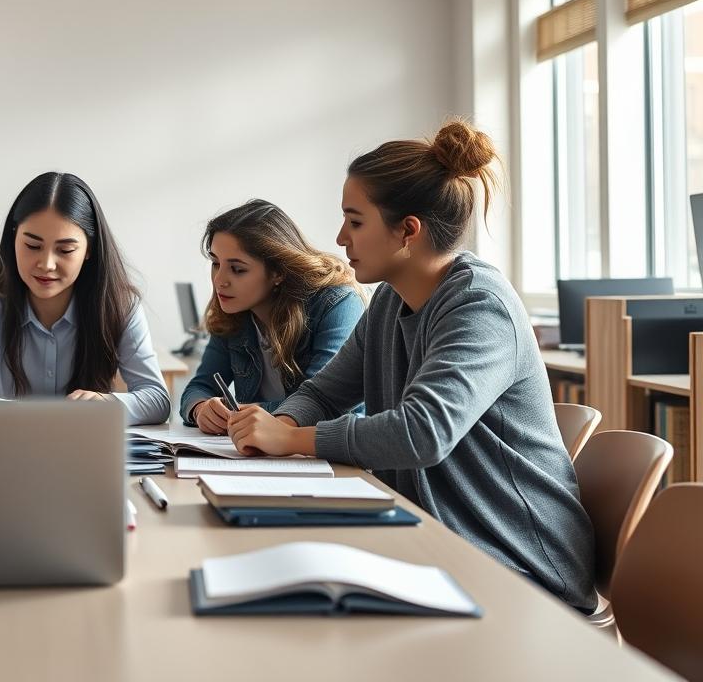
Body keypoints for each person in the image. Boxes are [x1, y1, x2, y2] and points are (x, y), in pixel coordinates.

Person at [227, 120, 596, 610]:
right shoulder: (387, 303)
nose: (340, 238)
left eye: (355, 222)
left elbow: (422, 433)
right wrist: (280, 423)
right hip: (434, 542)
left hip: (520, 567)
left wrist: (290, 440)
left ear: (408, 231)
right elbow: (323, 393)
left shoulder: (479, 305)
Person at [0, 172, 170, 426]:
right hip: (9, 452)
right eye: (33, 246)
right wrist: (25, 414)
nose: (46, 264)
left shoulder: (119, 307)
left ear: (89, 249)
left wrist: (106, 405)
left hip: (88, 453)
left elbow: (157, 399)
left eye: (65, 250)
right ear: (13, 239)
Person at [179, 199, 363, 434]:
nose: (219, 280)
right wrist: (201, 408)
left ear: (278, 272)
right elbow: (199, 387)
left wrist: (245, 414)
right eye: (216, 263)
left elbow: (325, 404)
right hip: (262, 456)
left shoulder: (336, 304)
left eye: (238, 269)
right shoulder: (233, 312)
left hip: (330, 459)